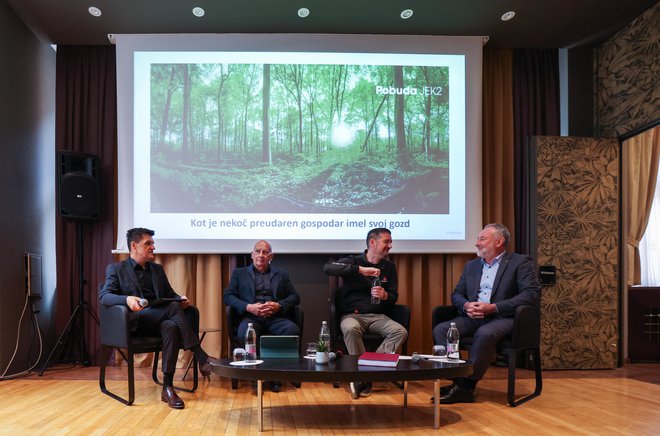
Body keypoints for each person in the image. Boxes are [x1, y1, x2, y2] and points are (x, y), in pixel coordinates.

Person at [100, 227, 219, 410]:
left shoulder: (157, 270)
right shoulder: (117, 269)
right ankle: (200, 355)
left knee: (171, 326)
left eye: (153, 243)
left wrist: (180, 299)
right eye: (148, 243)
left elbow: (170, 295)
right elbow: (104, 296)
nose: (153, 247)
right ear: (134, 246)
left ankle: (168, 388)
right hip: (134, 323)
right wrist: (127, 299)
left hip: (158, 319)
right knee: (171, 310)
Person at [432, 223, 541, 404]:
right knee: (442, 330)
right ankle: (459, 381)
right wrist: (467, 305)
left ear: (499, 242)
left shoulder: (520, 262)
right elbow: (457, 294)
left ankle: (467, 386)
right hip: (474, 316)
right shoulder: (472, 266)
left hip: (504, 317)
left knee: (485, 333)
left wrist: (494, 307)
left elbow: (531, 295)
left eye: (482, 239)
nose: (476, 243)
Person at [323, 227, 408, 399]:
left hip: (378, 317)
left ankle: (366, 372)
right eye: (386, 241)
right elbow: (328, 268)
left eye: (391, 242)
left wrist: (385, 296)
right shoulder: (354, 261)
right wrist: (360, 270)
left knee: (400, 331)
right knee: (350, 328)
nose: (390, 246)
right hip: (352, 316)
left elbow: (393, 297)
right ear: (372, 242)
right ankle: (363, 376)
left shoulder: (389, 267)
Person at [223, 240, 301, 392]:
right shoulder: (239, 273)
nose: (261, 255)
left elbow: (295, 297)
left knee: (292, 329)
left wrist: (279, 306)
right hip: (251, 318)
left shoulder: (282, 274)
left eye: (265, 252)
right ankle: (256, 374)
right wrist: (249, 307)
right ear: (251, 255)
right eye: (257, 251)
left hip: (275, 318)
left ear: (271, 256)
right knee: (245, 332)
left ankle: (275, 375)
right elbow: (228, 296)